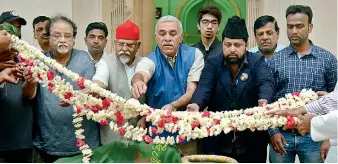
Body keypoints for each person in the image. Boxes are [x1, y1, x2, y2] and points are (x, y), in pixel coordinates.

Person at [187, 15, 274, 162]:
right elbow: (204, 87)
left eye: (237, 45)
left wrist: (264, 100)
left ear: (246, 45)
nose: (232, 49)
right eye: (228, 45)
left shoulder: (257, 61)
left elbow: (266, 82)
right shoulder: (213, 62)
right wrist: (196, 104)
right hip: (218, 138)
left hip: (251, 139)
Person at [21, 15, 100, 163]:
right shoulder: (38, 60)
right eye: (57, 35)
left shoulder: (84, 59)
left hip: (83, 147)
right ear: (49, 38)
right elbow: (28, 95)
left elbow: (93, 95)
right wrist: (30, 82)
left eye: (67, 36)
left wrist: (76, 97)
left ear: (73, 39)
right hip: (47, 145)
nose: (62, 39)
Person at [267, 5, 337, 163]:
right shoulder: (275, 61)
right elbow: (267, 100)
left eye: (299, 26)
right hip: (282, 135)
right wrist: (273, 132)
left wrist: (327, 137)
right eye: (290, 26)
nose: (294, 31)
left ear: (310, 27)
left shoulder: (328, 60)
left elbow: (333, 101)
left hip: (313, 136)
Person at [131, 15, 204, 155]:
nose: (167, 38)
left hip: (186, 131)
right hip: (157, 133)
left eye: (173, 33)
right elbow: (142, 72)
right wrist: (138, 81)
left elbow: (192, 91)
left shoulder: (194, 55)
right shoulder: (150, 60)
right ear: (156, 36)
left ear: (181, 36)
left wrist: (174, 105)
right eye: (162, 33)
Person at [92, 20, 144, 145]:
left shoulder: (144, 63)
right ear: (115, 43)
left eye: (130, 45)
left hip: (139, 132)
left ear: (138, 46)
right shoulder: (105, 63)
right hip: (113, 134)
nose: (124, 49)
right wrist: (92, 88)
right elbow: (99, 80)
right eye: (121, 44)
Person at [268, 85, 338, 163]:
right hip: (284, 133)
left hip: (311, 139)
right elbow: (334, 98)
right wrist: (299, 110)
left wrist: (313, 123)